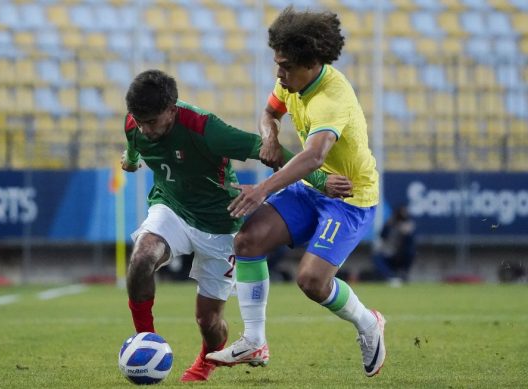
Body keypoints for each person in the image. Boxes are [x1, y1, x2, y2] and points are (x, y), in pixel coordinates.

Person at [121, 69, 351, 382]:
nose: (145, 129)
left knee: (209, 320)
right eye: (140, 121)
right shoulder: (135, 123)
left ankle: (206, 358)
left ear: (171, 110)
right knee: (141, 257)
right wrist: (131, 160)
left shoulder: (206, 129)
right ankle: (146, 340)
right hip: (171, 208)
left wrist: (321, 180)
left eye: (152, 122)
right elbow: (134, 145)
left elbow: (268, 150)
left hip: (221, 224)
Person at [206, 6, 386, 378]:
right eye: (277, 63)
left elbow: (314, 157)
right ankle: (254, 340)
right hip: (310, 191)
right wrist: (270, 135)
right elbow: (269, 113)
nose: (278, 73)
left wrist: (261, 190)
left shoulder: (330, 98)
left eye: (285, 66)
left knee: (311, 281)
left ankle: (369, 324)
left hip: (349, 199)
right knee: (248, 241)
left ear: (311, 62)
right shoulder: (291, 82)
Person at [372, 205, 416, 284]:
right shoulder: (390, 224)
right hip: (388, 253)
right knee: (377, 257)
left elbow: (411, 243)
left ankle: (403, 273)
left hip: (401, 255)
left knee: (411, 252)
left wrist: (407, 233)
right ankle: (390, 277)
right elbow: (382, 235)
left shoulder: (408, 225)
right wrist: (390, 225)